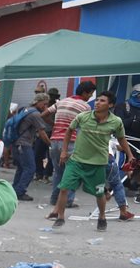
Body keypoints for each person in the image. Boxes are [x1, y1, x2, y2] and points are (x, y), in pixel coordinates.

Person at [51, 91, 133, 232]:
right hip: (76, 161)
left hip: (98, 164)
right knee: (64, 188)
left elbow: (121, 139)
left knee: (99, 193)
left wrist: (130, 155)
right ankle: (60, 217)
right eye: (97, 100)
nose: (97, 103)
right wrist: (64, 151)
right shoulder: (83, 117)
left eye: (102, 101)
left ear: (110, 105)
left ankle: (102, 217)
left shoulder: (116, 121)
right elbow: (69, 131)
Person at [47, 80, 95, 213]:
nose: (90, 97)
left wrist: (55, 125)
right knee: (73, 172)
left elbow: (44, 114)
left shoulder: (62, 102)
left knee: (58, 172)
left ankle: (54, 199)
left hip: (54, 141)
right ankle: (67, 201)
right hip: (71, 143)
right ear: (84, 93)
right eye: (90, 94)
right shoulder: (85, 107)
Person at [7, 93, 51, 201]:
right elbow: (42, 132)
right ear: (38, 102)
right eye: (44, 104)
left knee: (21, 168)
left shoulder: (25, 109)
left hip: (16, 143)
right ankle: (20, 192)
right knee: (30, 168)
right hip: (24, 144)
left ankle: (15, 190)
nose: (45, 107)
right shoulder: (35, 114)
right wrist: (50, 144)